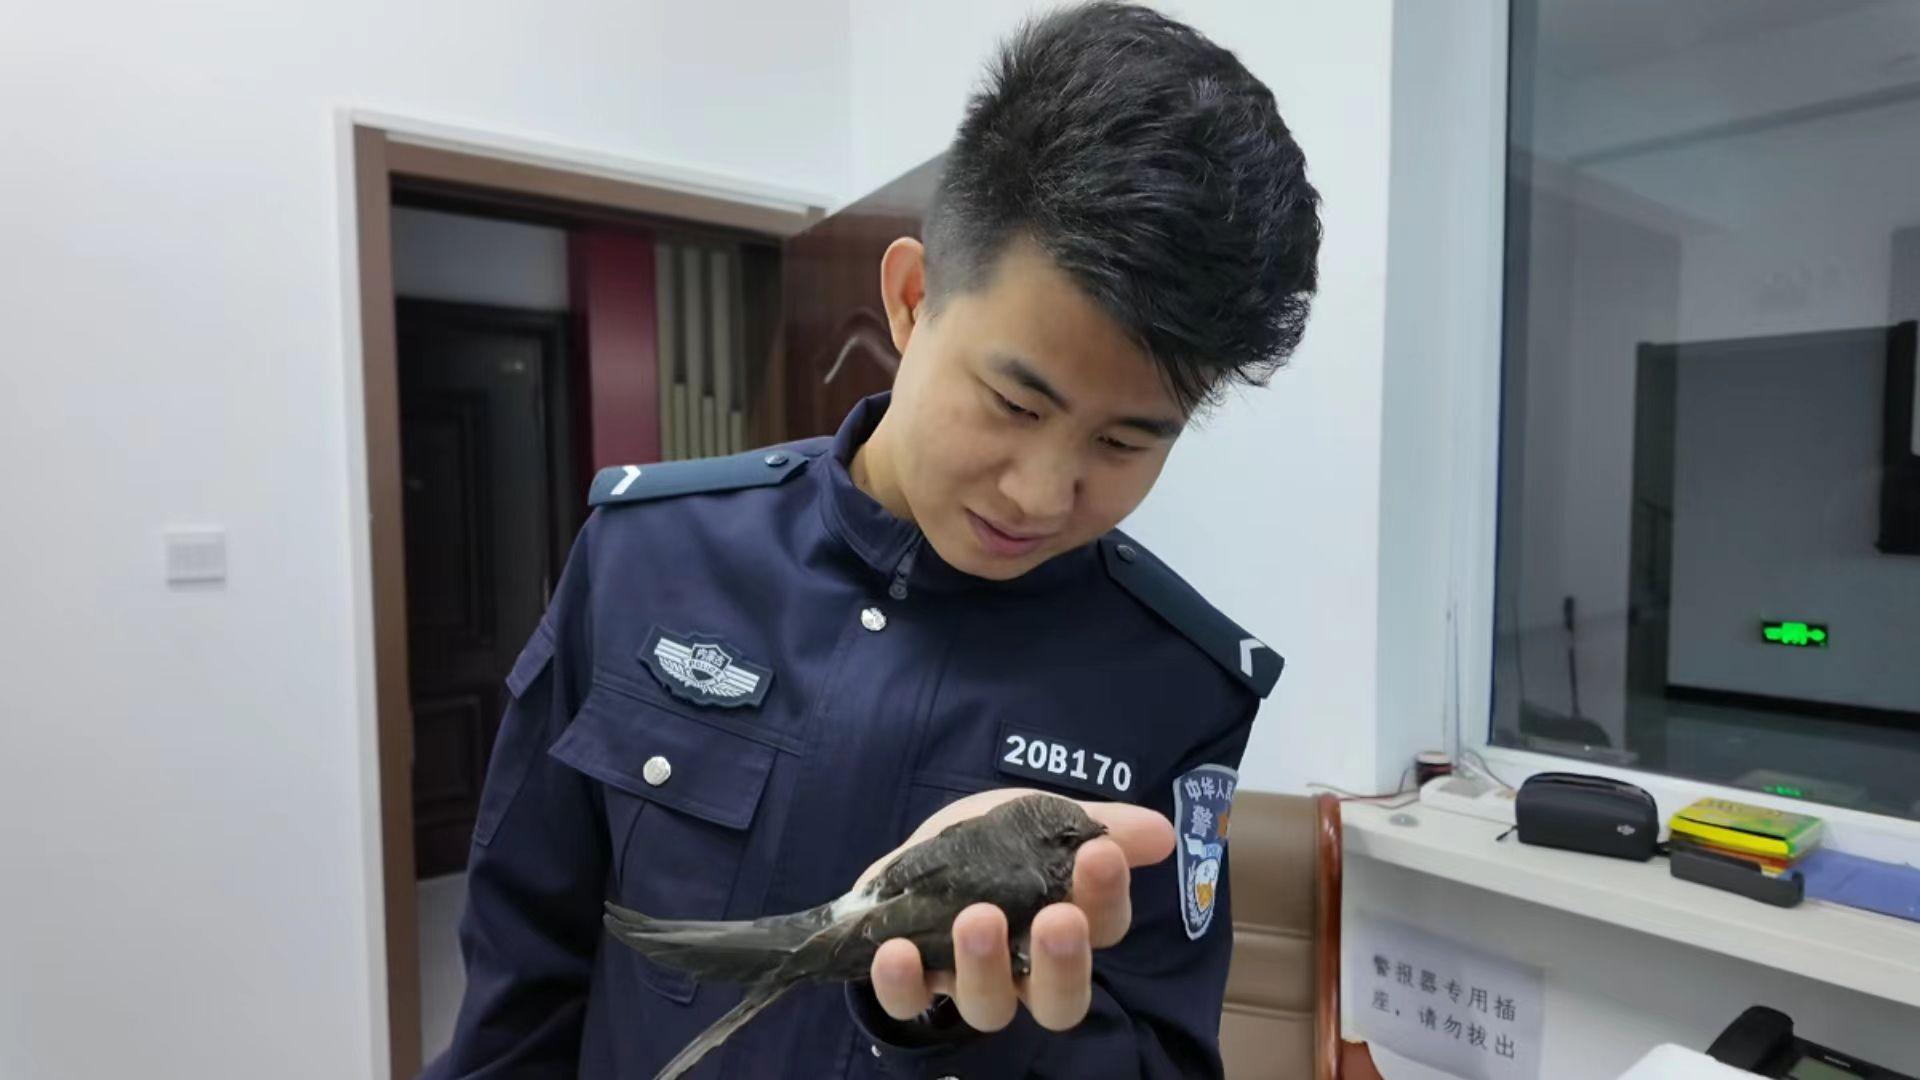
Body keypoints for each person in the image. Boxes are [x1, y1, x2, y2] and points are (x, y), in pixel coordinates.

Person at [423, 2, 1320, 1076]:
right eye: (1014, 403)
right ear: (909, 299)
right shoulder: (648, 556)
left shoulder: (1177, 688)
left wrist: (967, 1027)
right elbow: (524, 973)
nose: (1041, 493)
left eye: (1126, 441)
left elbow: (1164, 1059)